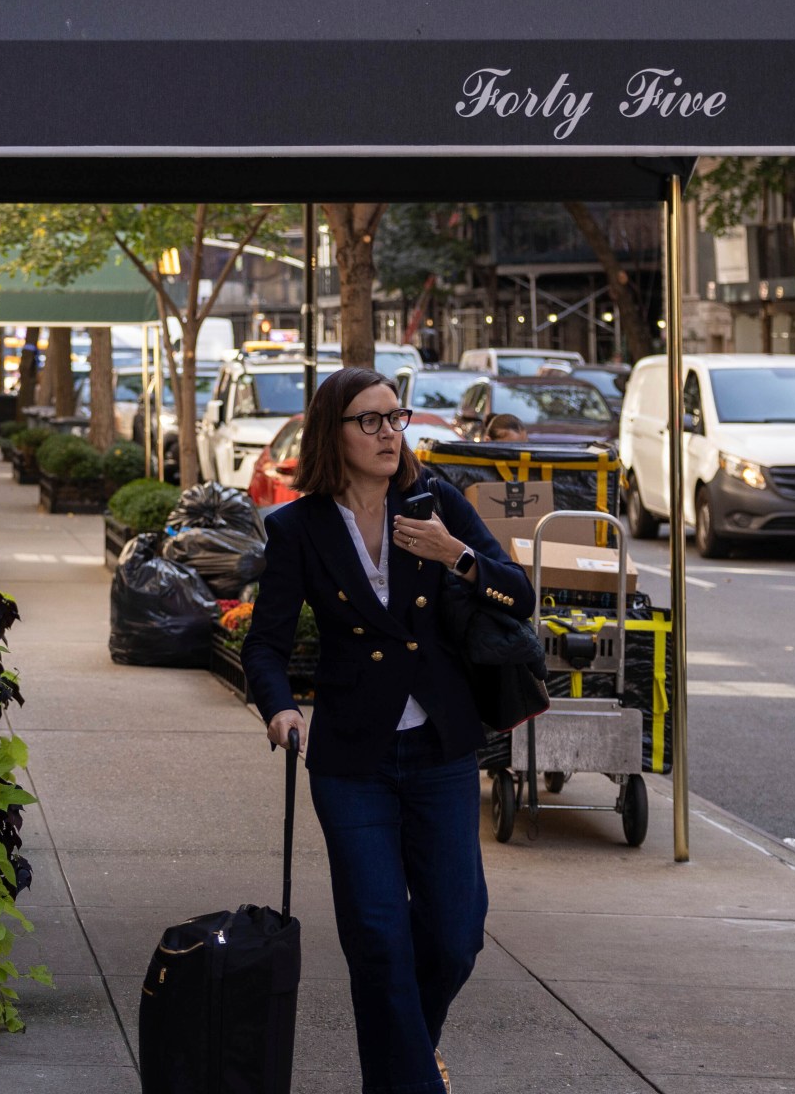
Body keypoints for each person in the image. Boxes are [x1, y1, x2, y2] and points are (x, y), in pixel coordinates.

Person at [242, 366, 533, 1094]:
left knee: (456, 934)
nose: (386, 433)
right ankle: (408, 1084)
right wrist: (277, 705)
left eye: (394, 418)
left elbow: (518, 595)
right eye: (368, 421)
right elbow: (265, 643)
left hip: (440, 749)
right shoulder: (297, 528)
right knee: (376, 936)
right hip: (351, 759)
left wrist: (454, 556)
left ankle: (404, 1058)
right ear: (332, 434)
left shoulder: (436, 505)